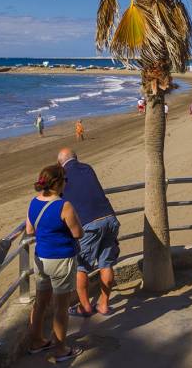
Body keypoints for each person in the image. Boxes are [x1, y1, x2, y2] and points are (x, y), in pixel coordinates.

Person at [26, 165, 83, 362]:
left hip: (41, 257)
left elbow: (29, 230)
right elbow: (77, 233)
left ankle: (36, 341)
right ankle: (60, 349)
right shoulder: (64, 205)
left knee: (40, 302)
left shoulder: (33, 202)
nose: (67, 183)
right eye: (65, 180)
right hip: (61, 259)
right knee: (60, 306)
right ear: (58, 182)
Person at [58, 149, 120, 317]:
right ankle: (104, 305)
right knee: (106, 264)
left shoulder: (63, 176)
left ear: (60, 163)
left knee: (81, 267)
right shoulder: (87, 168)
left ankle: (85, 307)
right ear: (76, 159)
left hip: (89, 224)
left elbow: (61, 200)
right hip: (109, 217)